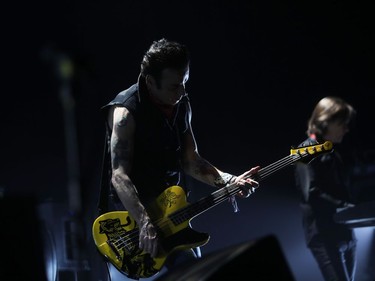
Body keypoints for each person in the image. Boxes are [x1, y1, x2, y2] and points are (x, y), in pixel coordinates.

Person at [98, 38, 261, 280]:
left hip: (171, 211)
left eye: (185, 82)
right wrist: (144, 223)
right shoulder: (125, 112)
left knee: (195, 272)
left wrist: (228, 181)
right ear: (150, 82)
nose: (183, 92)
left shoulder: (181, 105)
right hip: (131, 222)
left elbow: (190, 160)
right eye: (175, 86)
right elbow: (119, 176)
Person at [294, 96, 357, 281]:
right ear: (326, 121)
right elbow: (311, 192)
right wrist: (345, 206)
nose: (346, 129)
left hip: (345, 232)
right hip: (324, 235)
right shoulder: (305, 150)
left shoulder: (331, 151)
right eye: (343, 123)